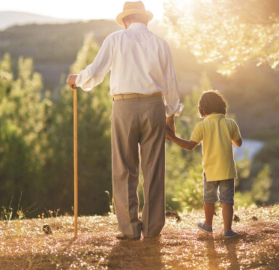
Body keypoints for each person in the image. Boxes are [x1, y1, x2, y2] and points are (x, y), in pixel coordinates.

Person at [66, 1, 183, 240]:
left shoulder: (115, 39)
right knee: (154, 169)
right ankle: (151, 230)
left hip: (123, 106)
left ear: (126, 20)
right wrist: (171, 116)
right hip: (154, 107)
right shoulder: (161, 44)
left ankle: (129, 229)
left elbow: (95, 73)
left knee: (124, 168)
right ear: (146, 19)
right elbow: (171, 84)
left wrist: (77, 79)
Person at [165, 90, 242, 238]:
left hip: (210, 170)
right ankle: (227, 230)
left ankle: (208, 225)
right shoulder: (230, 123)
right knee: (227, 200)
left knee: (209, 198)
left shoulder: (202, 126)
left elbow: (189, 146)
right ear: (222, 106)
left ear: (202, 109)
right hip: (227, 169)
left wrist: (172, 137)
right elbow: (238, 143)